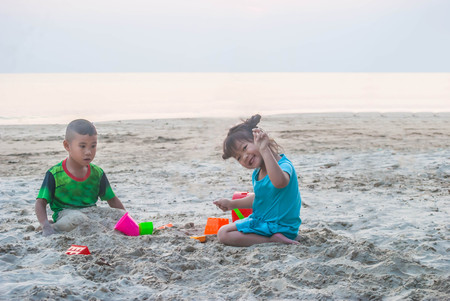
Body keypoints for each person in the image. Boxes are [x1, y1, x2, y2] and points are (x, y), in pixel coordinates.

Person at [213, 114, 301, 247]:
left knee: (224, 234)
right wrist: (232, 204)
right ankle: (273, 238)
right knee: (224, 230)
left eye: (244, 148)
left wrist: (264, 149)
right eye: (238, 157)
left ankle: (272, 240)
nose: (244, 157)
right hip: (263, 222)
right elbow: (261, 198)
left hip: (279, 226)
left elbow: (280, 182)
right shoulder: (257, 173)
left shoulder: (284, 165)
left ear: (258, 138)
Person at [35, 119, 125, 236]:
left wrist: (128, 220)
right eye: (82, 146)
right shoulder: (54, 174)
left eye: (93, 146)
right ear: (67, 146)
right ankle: (54, 226)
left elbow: (112, 200)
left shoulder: (98, 173)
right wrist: (45, 226)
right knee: (78, 219)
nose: (88, 152)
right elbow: (40, 203)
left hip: (92, 212)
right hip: (66, 214)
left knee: (120, 215)